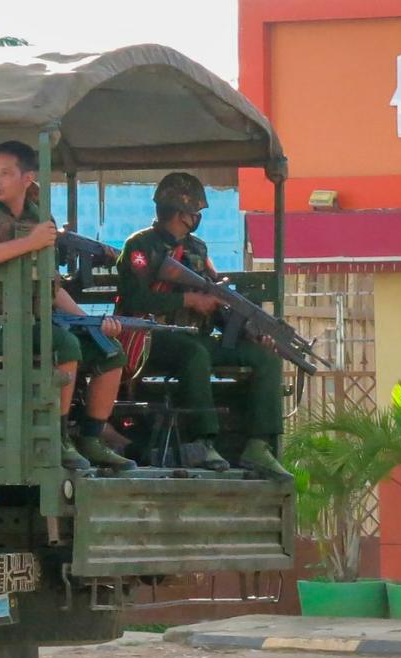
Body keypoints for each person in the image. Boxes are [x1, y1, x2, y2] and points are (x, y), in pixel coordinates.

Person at [0, 141, 135, 472]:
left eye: (6, 173)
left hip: (30, 320)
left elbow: (51, 287)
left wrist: (92, 323)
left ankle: (91, 439)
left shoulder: (39, 217)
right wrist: (29, 243)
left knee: (110, 350)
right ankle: (57, 438)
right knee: (63, 344)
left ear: (28, 177)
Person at [116, 172, 290, 481]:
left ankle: (259, 445)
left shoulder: (197, 249)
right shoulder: (140, 246)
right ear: (179, 213)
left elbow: (215, 295)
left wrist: (250, 329)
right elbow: (134, 298)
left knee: (264, 357)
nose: (197, 218)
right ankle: (203, 441)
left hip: (194, 338)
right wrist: (187, 301)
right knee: (194, 353)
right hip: (150, 340)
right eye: (194, 212)